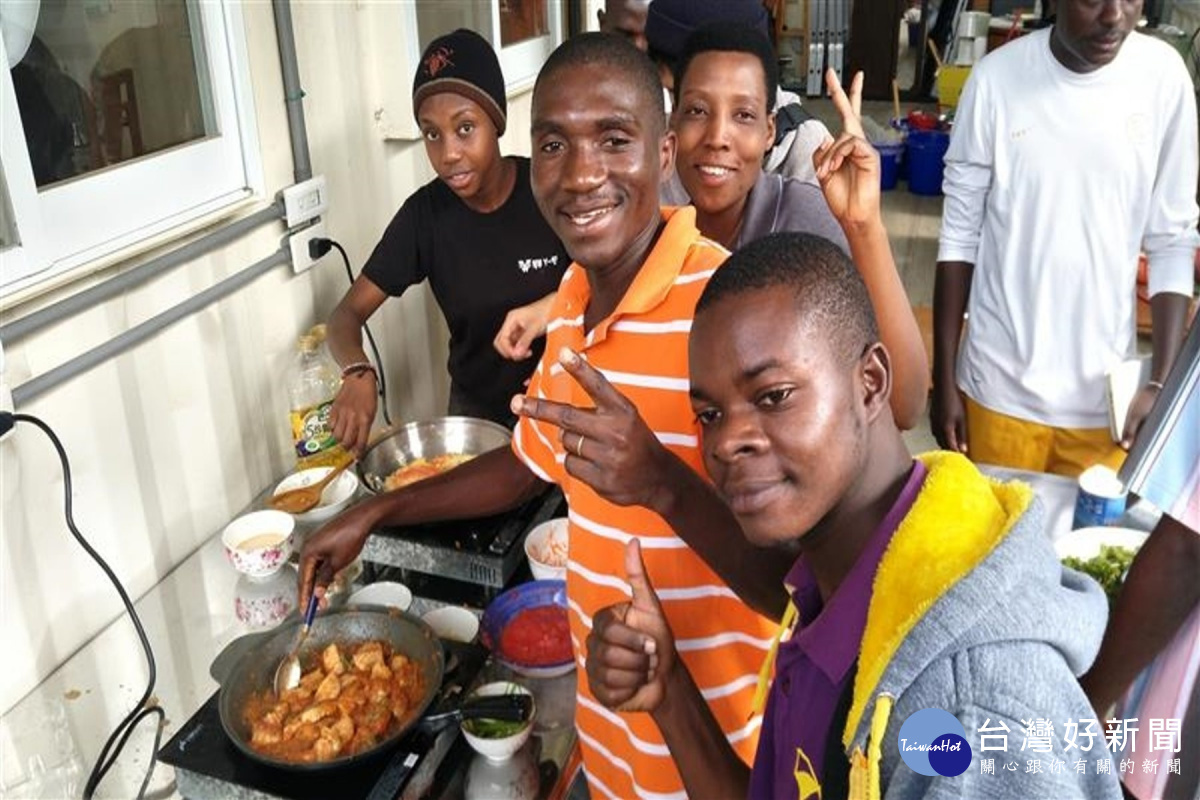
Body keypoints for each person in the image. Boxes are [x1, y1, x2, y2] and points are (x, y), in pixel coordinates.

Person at [303, 34, 922, 800]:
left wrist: (661, 481)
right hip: (613, 741)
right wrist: (377, 511)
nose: (582, 173)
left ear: (664, 154)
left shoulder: (727, 316)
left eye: (614, 140)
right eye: (555, 143)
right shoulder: (570, 306)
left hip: (727, 755)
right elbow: (528, 463)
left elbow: (800, 587)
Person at [584, 231, 1122, 799]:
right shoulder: (835, 586)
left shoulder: (958, 717)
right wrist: (669, 694)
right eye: (710, 413)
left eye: (773, 396)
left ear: (871, 384)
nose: (725, 442)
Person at [931, 0, 1198, 477]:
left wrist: (1160, 382)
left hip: (1109, 410)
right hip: (997, 394)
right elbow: (959, 235)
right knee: (992, 546)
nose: (1116, 15)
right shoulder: (996, 81)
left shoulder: (1163, 80)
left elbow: (1173, 240)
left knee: (1086, 551)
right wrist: (944, 377)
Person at [326, 28, 567, 446]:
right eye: (432, 134)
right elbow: (345, 316)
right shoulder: (425, 216)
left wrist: (552, 306)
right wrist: (357, 371)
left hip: (563, 408)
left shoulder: (548, 189)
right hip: (478, 422)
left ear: (496, 123)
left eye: (465, 128)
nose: (448, 153)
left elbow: (612, 283)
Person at [646, 0, 831, 188]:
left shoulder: (808, 148)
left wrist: (856, 217)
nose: (717, 138)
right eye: (696, 110)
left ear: (769, 129)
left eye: (743, 114)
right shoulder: (653, 137)